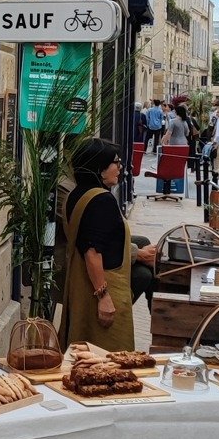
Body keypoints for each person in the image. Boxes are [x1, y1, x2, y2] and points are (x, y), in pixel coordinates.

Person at [60, 140, 156, 351]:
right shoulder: (102, 201)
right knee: (108, 359)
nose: (120, 167)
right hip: (104, 284)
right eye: (116, 162)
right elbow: (92, 252)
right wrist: (103, 297)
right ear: (99, 168)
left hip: (81, 285)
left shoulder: (76, 194)